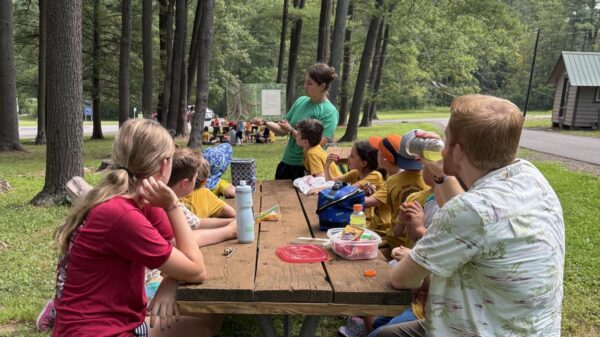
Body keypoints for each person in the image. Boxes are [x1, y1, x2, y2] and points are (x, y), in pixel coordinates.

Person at [378, 95, 565, 337]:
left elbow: (402, 279)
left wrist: (413, 256)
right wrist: (438, 167)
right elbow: (472, 215)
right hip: (522, 325)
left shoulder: (469, 211)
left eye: (446, 140)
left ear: (457, 150)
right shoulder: (531, 177)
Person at [51, 119, 206, 336]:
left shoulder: (134, 199)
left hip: (105, 324)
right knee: (206, 319)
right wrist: (172, 205)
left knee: (206, 319)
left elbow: (182, 252)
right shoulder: (121, 214)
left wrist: (171, 279)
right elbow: (197, 270)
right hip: (100, 332)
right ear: (164, 165)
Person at [257, 63, 339, 180]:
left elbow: (316, 144)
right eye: (305, 82)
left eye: (310, 83)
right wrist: (264, 122)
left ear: (322, 86)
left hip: (307, 168)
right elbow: (282, 130)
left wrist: (291, 130)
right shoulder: (301, 101)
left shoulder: (329, 112)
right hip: (287, 163)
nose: (305, 86)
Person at [367, 133, 428, 250]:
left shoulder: (393, 181)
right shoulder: (428, 182)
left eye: (379, 152)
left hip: (395, 241)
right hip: (418, 243)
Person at [168, 148, 236, 247]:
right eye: (195, 178)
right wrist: (228, 231)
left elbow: (196, 223)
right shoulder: (164, 202)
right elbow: (179, 242)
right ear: (185, 183)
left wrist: (232, 222)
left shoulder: (171, 200)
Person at [325, 141, 384, 228]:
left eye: (352, 156)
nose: (348, 157)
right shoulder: (355, 173)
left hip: (366, 222)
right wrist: (327, 165)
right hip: (353, 217)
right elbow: (331, 183)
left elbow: (347, 191)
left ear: (363, 163)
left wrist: (333, 190)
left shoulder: (375, 175)